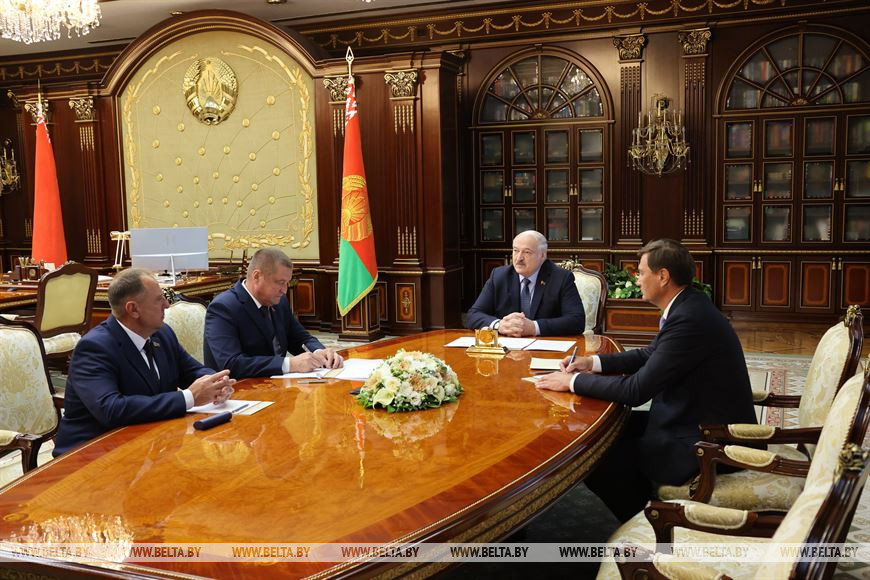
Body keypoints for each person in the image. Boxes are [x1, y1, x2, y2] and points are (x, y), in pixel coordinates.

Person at [536, 239, 757, 522]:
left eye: (641, 273)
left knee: (598, 460)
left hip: (706, 439)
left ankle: (652, 521)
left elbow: (636, 390)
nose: (637, 280)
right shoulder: (689, 305)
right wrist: (592, 363)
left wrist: (571, 382)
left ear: (663, 276)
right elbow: (650, 353)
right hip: (690, 416)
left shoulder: (689, 319)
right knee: (608, 433)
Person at [54, 269, 235, 456]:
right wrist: (188, 397)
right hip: (92, 453)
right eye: (158, 299)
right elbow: (111, 409)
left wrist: (216, 383)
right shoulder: (95, 347)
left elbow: (191, 370)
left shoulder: (162, 334)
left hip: (149, 442)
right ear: (133, 309)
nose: (167, 305)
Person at [204, 248, 343, 378]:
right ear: (257, 276)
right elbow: (231, 364)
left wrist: (319, 352)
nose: (285, 290)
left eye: (287, 283)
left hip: (275, 385)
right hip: (237, 389)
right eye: (280, 282)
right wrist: (290, 364)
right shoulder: (223, 308)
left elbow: (300, 338)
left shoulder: (279, 302)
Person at [466, 230, 584, 336]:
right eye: (515, 250)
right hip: (508, 347)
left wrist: (534, 327)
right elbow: (473, 314)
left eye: (527, 252)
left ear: (543, 255)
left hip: (546, 347)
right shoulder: (499, 276)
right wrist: (499, 325)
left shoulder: (561, 278)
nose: (519, 258)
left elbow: (577, 321)